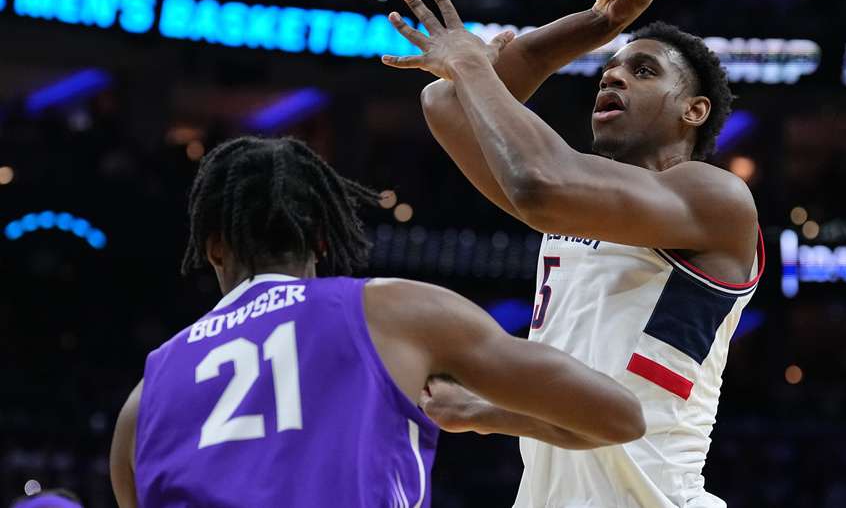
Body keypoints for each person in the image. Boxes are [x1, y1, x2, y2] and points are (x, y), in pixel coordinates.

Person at [381, 0, 763, 507]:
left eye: (643, 70)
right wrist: (596, 24)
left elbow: (536, 182)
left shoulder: (713, 198)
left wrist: (471, 62)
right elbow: (446, 104)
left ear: (694, 109)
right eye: (607, 68)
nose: (612, 76)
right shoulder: (579, 204)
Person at [108, 135, 645, 508]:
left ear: (214, 249)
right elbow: (620, 417)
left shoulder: (142, 399)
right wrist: (485, 414)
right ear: (321, 238)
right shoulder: (394, 311)